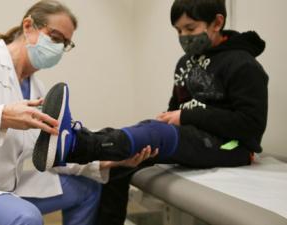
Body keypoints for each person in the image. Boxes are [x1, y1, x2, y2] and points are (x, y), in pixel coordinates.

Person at [0, 1, 148, 225]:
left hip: (1, 188)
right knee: (25, 217)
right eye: (55, 37)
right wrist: (2, 116)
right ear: (28, 26)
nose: (58, 48)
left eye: (65, 43)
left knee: (86, 188)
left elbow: (51, 153)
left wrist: (104, 161)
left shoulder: (36, 89)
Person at [32, 0, 269, 224]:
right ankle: (78, 142)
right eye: (178, 31)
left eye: (190, 28)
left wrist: (184, 118)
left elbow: (251, 125)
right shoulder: (186, 63)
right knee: (121, 164)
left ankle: (75, 146)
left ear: (217, 23)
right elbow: (176, 109)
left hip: (232, 147)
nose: (184, 37)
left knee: (156, 133)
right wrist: (171, 119)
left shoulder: (243, 64)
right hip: (194, 138)